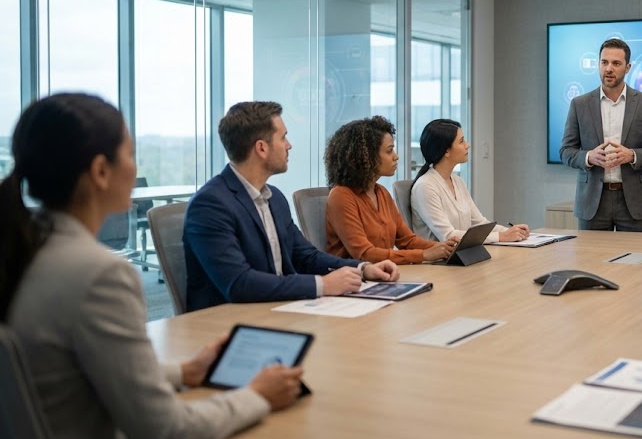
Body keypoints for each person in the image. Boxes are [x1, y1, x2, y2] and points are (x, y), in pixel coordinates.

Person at [0, 93, 304, 439]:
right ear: (100, 172)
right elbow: (168, 434)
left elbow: (77, 367)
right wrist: (257, 395)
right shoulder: (99, 275)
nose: (135, 168)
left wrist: (184, 372)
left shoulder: (27, 252)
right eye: (130, 155)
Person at [184, 102, 399, 312]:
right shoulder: (210, 205)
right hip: (228, 321)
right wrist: (322, 285)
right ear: (261, 148)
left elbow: (306, 256)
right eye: (283, 137)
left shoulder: (274, 198)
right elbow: (239, 284)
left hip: (279, 308)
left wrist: (362, 269)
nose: (289, 145)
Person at [559, 38, 642, 232]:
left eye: (616, 63)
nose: (609, 68)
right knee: (590, 254)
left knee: (637, 253)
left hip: (634, 202)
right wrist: (588, 157)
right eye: (604, 62)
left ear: (627, 68)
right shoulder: (579, 104)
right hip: (592, 202)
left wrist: (632, 155)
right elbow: (566, 151)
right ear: (598, 64)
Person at [324, 115, 456, 264]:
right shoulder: (341, 196)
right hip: (355, 275)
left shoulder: (381, 193)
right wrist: (424, 255)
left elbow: (407, 241)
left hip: (384, 272)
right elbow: (364, 254)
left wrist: (444, 247)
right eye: (389, 151)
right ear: (366, 156)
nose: (396, 156)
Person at [410, 118, 530, 243]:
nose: (467, 145)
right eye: (461, 141)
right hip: (440, 255)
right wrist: (501, 236)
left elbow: (479, 223)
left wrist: (512, 232)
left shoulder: (458, 181)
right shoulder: (425, 186)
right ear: (446, 151)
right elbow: (449, 236)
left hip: (464, 252)